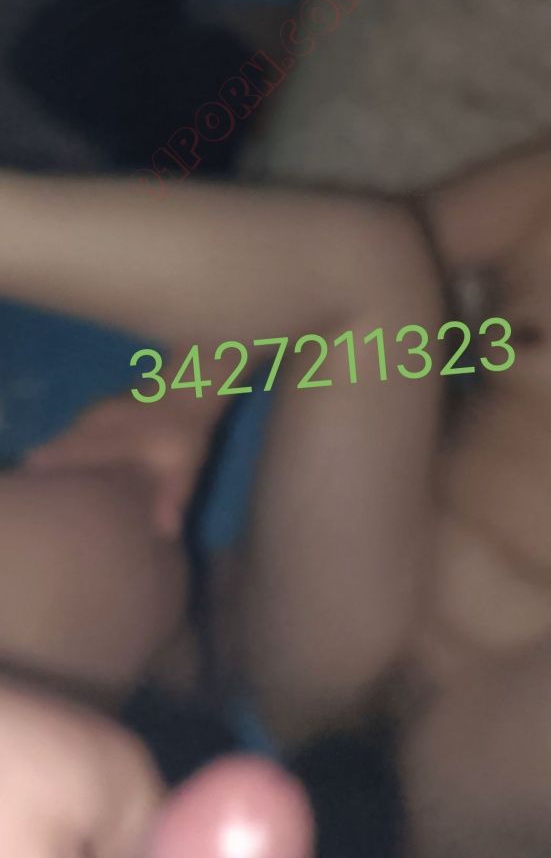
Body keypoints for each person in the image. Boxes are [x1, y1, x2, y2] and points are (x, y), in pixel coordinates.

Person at [0, 140, 550, 856]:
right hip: (322, 622)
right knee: (375, 257)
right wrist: (188, 396)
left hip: (466, 794)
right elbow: (340, 275)